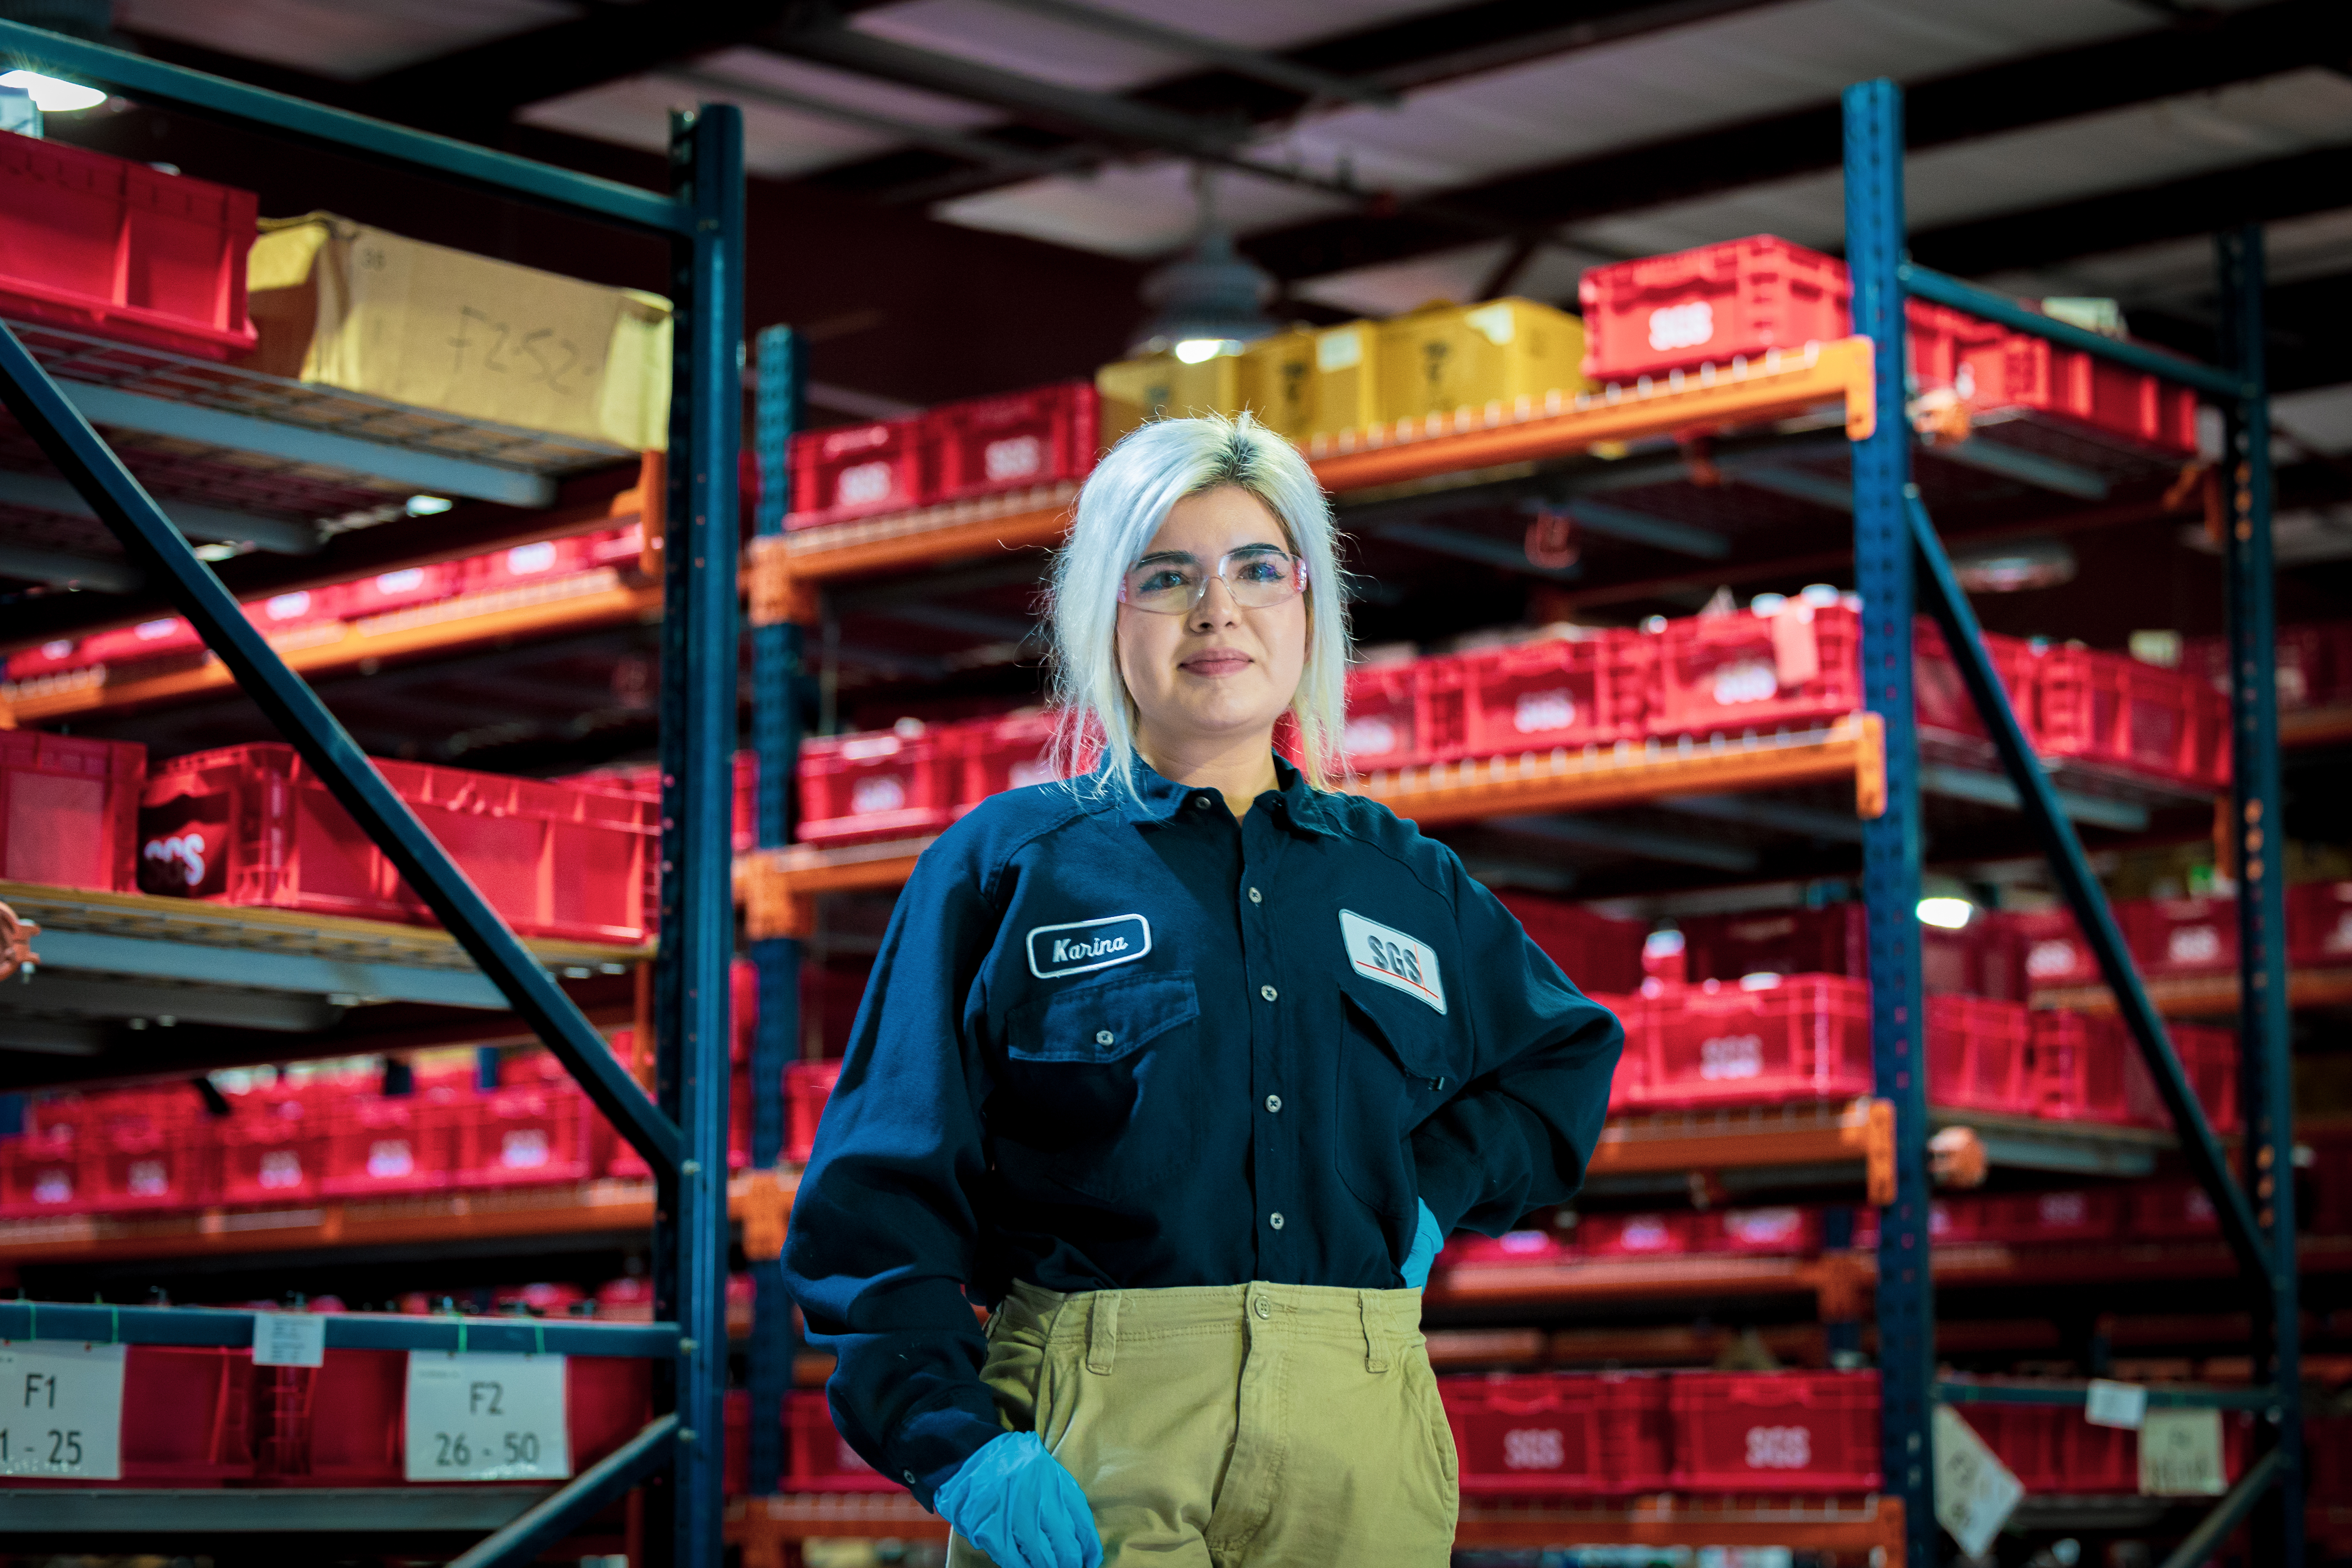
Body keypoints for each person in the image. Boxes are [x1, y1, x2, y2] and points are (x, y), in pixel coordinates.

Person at [783, 412, 1624, 1568]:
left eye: (1257, 570)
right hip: (1098, 1433)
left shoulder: (1404, 881)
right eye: (1165, 575)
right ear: (1104, 616)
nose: (1216, 610)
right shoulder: (1008, 869)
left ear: (1309, 607)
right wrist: (954, 1441)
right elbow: (874, 1201)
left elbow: (1562, 1059)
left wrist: (1431, 1191)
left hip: (1355, 1433)